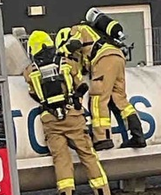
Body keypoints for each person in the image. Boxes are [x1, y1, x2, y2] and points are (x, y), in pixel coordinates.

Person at [23, 30, 122, 195]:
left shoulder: (29, 72)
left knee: (61, 161)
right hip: (72, 116)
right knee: (88, 156)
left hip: (50, 120)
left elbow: (33, 94)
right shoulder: (67, 64)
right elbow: (80, 84)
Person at [61, 9, 147, 151]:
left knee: (98, 99)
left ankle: (102, 139)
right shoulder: (102, 33)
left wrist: (63, 51)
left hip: (103, 59)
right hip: (118, 57)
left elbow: (74, 44)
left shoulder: (79, 29)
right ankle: (138, 135)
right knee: (120, 98)